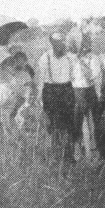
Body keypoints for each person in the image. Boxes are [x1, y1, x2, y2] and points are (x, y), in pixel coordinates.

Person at [37, 32, 77, 162]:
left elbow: (75, 78)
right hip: (51, 91)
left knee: (68, 124)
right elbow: (41, 81)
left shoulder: (70, 57)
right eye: (56, 42)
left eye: (61, 41)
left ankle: (69, 155)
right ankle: (55, 156)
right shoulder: (44, 58)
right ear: (51, 42)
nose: (59, 45)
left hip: (66, 90)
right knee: (53, 125)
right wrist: (40, 99)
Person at [71, 33, 102, 159]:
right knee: (76, 123)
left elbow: (93, 76)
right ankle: (78, 150)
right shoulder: (71, 58)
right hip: (76, 91)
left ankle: (94, 151)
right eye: (80, 44)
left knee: (93, 123)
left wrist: (81, 63)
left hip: (90, 91)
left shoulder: (93, 58)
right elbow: (69, 76)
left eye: (85, 43)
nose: (83, 47)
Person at [0, 46, 32, 129]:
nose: (8, 64)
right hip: (1, 105)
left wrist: (24, 99)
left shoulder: (16, 73)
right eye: (5, 62)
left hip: (14, 103)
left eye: (9, 61)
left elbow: (23, 89)